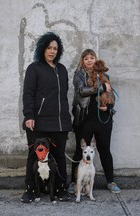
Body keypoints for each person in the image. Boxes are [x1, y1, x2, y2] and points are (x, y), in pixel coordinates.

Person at [21, 32, 72, 203]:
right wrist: (29, 115)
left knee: (59, 157)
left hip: (59, 123)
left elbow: (63, 97)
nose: (52, 51)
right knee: (34, 156)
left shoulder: (62, 69)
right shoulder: (34, 68)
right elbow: (28, 93)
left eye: (55, 48)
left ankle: (61, 189)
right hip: (39, 122)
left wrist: (67, 120)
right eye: (49, 48)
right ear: (43, 48)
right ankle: (30, 189)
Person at [68, 49, 121, 194]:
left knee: (105, 150)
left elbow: (112, 97)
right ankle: (74, 182)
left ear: (96, 59)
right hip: (85, 118)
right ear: (82, 61)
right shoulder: (79, 75)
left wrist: (108, 107)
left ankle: (110, 181)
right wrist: (101, 88)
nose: (89, 60)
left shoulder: (105, 75)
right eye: (86, 58)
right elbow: (81, 91)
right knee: (80, 151)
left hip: (103, 119)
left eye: (92, 57)